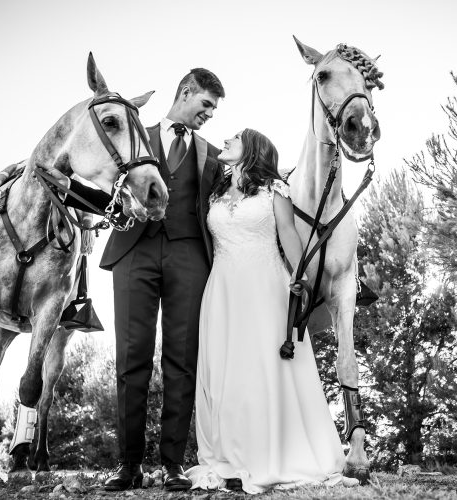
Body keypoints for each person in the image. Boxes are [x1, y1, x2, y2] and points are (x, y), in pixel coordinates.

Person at [185, 128, 355, 494]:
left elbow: (288, 234)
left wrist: (301, 279)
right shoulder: (214, 190)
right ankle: (230, 453)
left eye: (234, 138)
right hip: (223, 291)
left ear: (254, 149)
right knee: (225, 370)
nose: (225, 141)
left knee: (265, 368)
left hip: (266, 289)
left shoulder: (274, 190)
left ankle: (274, 452)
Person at [94, 68, 226, 491]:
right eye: (205, 104)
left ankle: (172, 464)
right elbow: (103, 184)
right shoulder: (134, 134)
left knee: (181, 361)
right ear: (186, 92)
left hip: (190, 257)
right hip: (135, 251)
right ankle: (129, 464)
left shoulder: (212, 153)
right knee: (130, 358)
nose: (209, 114)